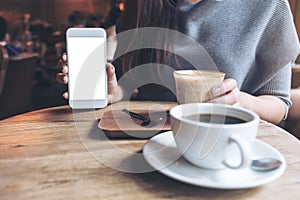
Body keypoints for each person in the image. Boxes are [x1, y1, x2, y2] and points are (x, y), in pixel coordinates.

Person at [57, 0, 300, 125]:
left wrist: (240, 101)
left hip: (226, 141)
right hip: (143, 140)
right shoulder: (141, 5)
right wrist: (112, 89)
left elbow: (279, 105)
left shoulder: (268, 6)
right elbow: (129, 88)